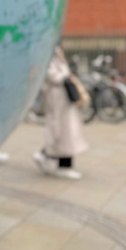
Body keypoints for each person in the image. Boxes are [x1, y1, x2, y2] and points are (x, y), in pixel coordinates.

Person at [34, 46, 89, 180]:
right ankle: (52, 158)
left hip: (63, 101)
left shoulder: (56, 58)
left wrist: (62, 60)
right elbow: (56, 77)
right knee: (61, 131)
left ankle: (51, 157)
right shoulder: (46, 58)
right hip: (57, 99)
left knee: (67, 131)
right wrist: (64, 69)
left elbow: (65, 73)